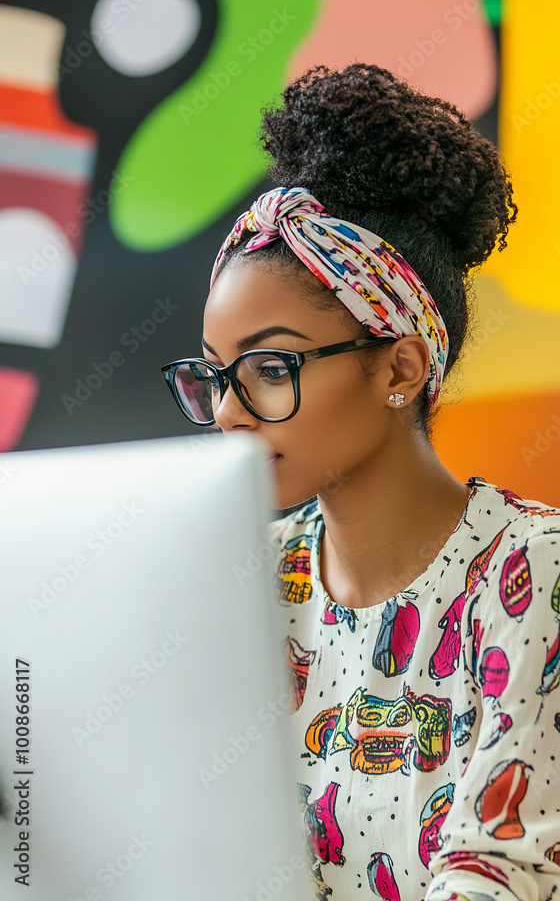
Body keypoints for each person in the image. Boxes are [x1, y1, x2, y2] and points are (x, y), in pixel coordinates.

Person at [161, 63, 560, 901]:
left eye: (269, 368)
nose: (230, 411)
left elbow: (502, 875)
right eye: (214, 374)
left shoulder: (534, 574)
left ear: (401, 368)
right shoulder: (244, 582)